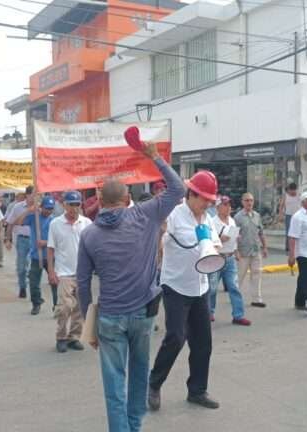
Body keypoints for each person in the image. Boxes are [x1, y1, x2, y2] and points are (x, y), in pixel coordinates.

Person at [77, 139, 184, 432]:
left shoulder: (89, 236)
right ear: (126, 199)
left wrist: (90, 323)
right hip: (142, 315)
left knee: (114, 384)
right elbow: (178, 189)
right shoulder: (145, 215)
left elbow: (83, 285)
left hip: (109, 318)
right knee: (138, 375)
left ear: (99, 202)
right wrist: (154, 157)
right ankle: (134, 426)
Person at [149, 170, 222, 412]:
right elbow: (159, 236)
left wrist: (214, 245)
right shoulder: (174, 215)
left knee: (203, 343)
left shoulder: (207, 218)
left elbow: (213, 246)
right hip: (176, 286)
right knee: (176, 338)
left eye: (211, 201)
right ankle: (154, 384)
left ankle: (197, 390)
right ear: (191, 194)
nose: (208, 204)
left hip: (199, 286)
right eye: (205, 199)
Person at [47, 191, 91, 353]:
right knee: (65, 307)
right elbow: (50, 249)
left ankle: (74, 337)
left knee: (79, 307)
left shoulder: (87, 223)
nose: (74, 208)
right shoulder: (55, 224)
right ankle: (61, 337)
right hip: (64, 272)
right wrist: (51, 271)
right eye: (70, 204)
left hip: (83, 273)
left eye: (77, 204)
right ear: (64, 205)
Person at [207, 195, 250, 326]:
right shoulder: (212, 222)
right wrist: (220, 239)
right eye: (225, 205)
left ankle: (238, 315)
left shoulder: (231, 220)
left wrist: (236, 249)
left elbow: (233, 237)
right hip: (216, 257)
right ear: (218, 207)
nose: (228, 207)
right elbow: (207, 241)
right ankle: (209, 312)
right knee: (212, 288)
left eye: (229, 205)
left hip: (230, 257)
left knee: (234, 287)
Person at [14, 196, 57, 315]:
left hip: (50, 257)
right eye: (46, 208)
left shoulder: (55, 221)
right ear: (41, 207)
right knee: (33, 282)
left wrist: (45, 243)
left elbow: (59, 240)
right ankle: (36, 303)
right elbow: (18, 222)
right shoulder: (34, 218)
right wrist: (29, 210)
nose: (48, 211)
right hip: (36, 256)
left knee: (55, 282)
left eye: (51, 208)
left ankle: (57, 305)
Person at [235, 192, 268, 308]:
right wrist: (236, 251)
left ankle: (256, 299)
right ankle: (235, 297)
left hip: (255, 250)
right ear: (242, 202)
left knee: (257, 274)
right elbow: (234, 236)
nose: (249, 203)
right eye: (247, 200)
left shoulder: (257, 216)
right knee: (240, 276)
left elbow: (261, 232)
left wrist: (264, 247)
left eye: (251, 200)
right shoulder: (238, 218)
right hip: (243, 252)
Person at [5, 189, 32, 298]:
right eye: (34, 194)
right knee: (21, 266)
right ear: (27, 195)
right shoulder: (18, 207)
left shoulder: (40, 207)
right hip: (22, 240)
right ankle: (22, 286)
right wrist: (8, 239)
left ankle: (34, 291)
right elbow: (10, 223)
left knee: (32, 266)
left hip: (35, 240)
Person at [277, 182, 301, 251]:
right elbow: (281, 206)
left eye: (294, 190)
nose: (293, 192)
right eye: (291, 190)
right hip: (289, 216)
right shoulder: (285, 196)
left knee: (298, 231)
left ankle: (297, 247)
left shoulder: (299, 195)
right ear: (289, 190)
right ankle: (288, 248)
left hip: (298, 216)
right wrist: (280, 215)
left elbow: (303, 205)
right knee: (289, 232)